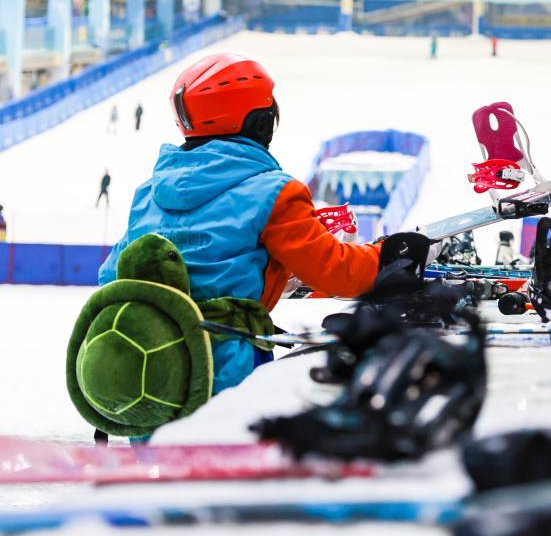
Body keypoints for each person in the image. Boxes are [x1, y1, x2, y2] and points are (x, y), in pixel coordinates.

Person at [97, 53, 384, 392]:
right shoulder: (274, 193)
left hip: (149, 376)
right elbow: (339, 273)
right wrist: (391, 254)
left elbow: (111, 277)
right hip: (224, 374)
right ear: (260, 124)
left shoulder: (148, 194)